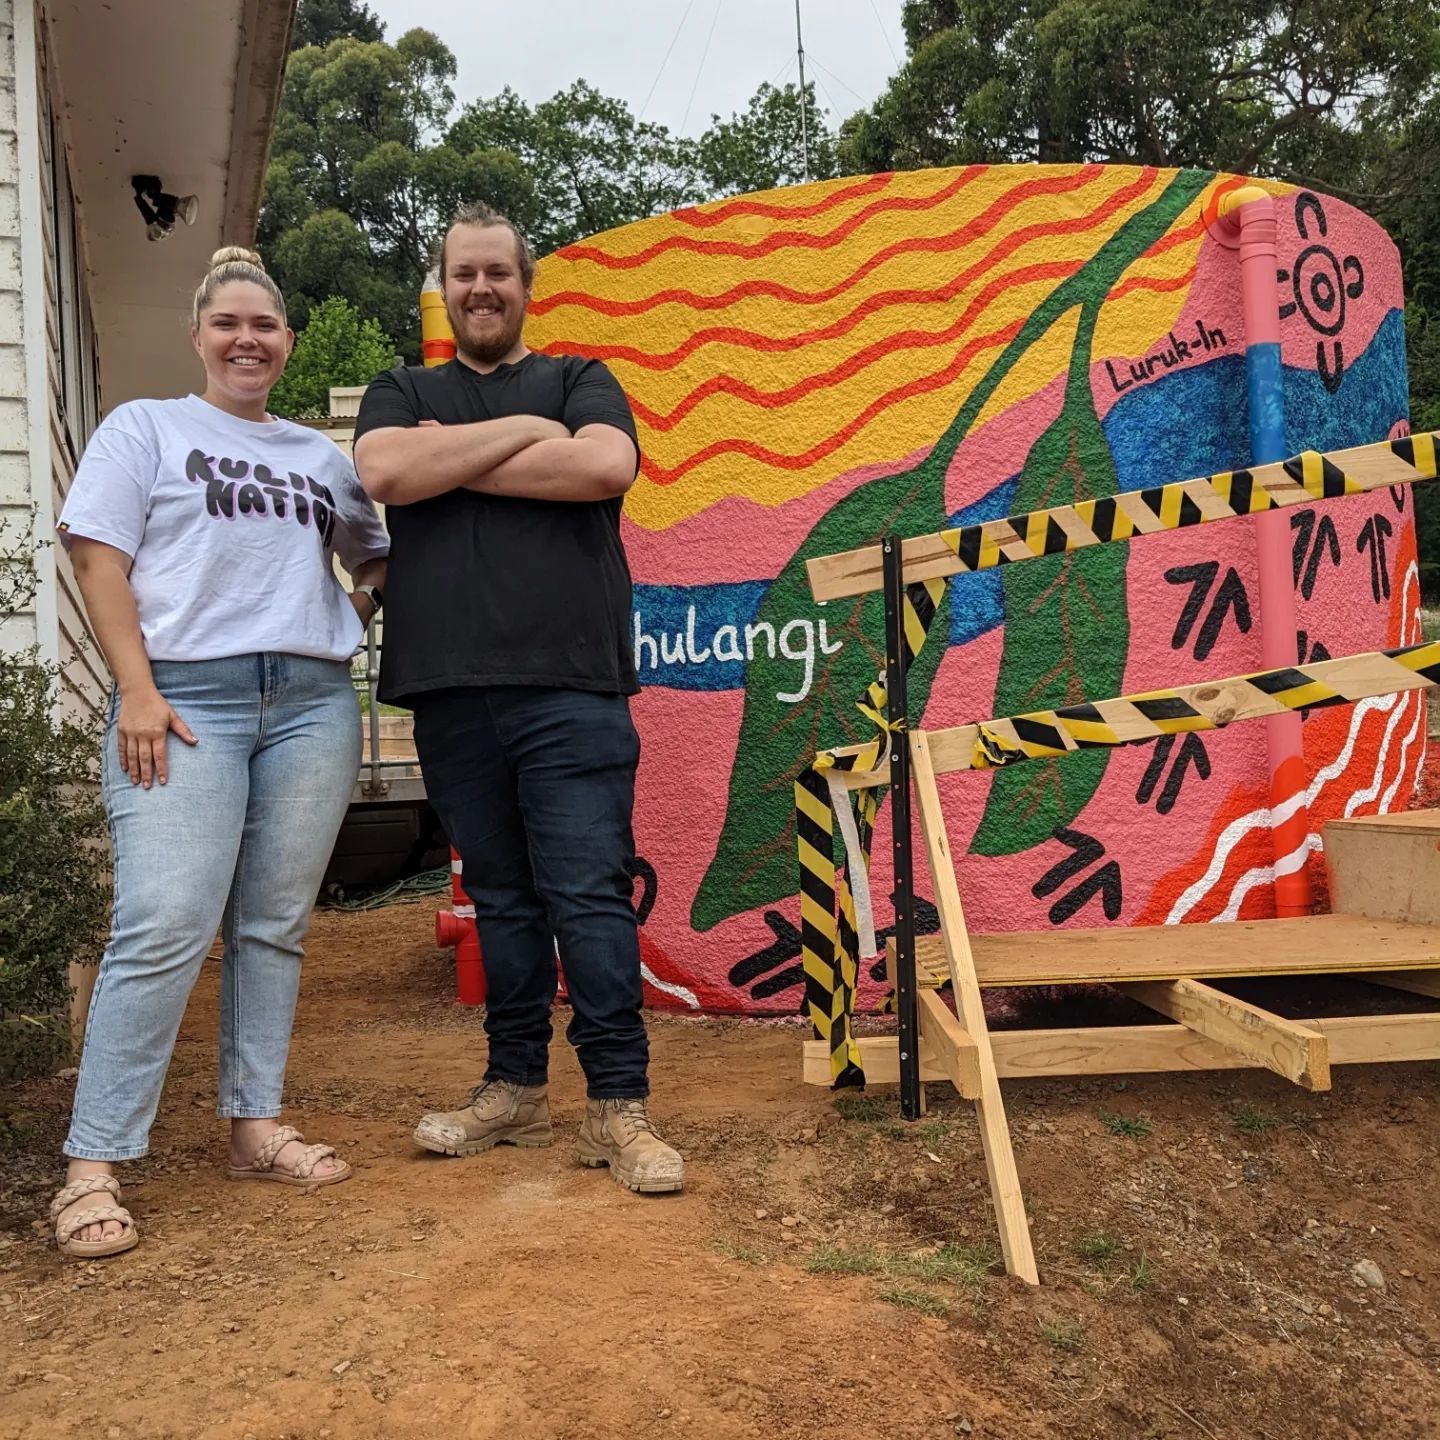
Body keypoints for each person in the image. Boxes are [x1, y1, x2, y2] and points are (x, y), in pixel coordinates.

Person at [47, 248, 390, 1259]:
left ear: (285, 341)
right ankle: (92, 1166)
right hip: (184, 696)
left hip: (310, 701)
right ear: (200, 336)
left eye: (266, 325)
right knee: (163, 921)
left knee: (274, 924)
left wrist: (358, 605)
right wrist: (137, 690)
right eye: (229, 323)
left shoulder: (322, 457)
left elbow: (371, 552)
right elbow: (96, 556)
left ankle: (253, 1126)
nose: (248, 338)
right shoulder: (145, 427)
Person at [352, 202, 682, 1194]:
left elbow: (604, 465)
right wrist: (522, 438)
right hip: (451, 695)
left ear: (525, 287)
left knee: (586, 893)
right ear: (445, 288)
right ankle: (515, 1089)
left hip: (570, 688)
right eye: (464, 274)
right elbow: (383, 471)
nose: (482, 288)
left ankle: (618, 1107)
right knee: (500, 900)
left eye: (499, 272)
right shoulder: (399, 387)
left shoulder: (581, 380)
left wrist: (456, 454)